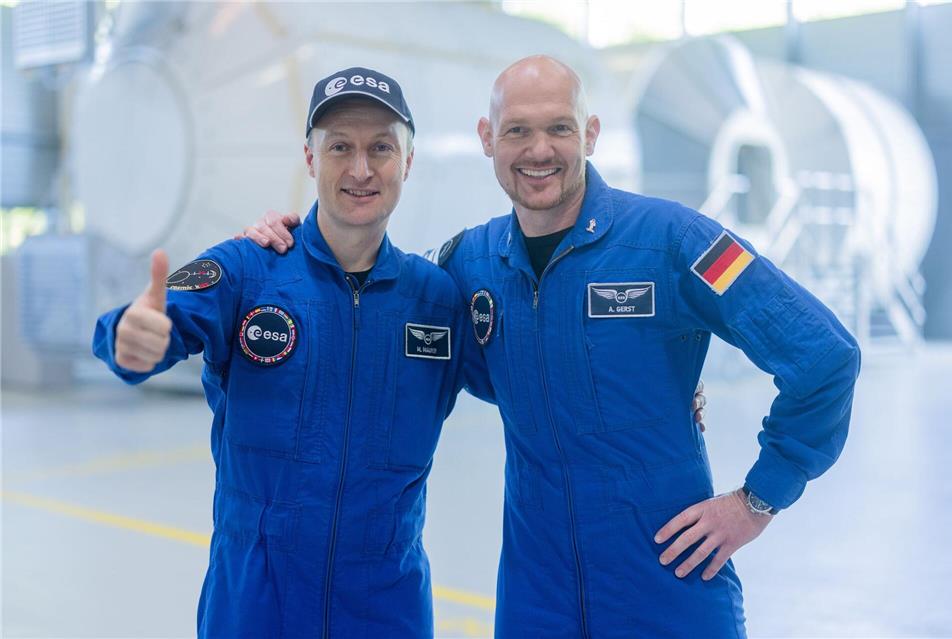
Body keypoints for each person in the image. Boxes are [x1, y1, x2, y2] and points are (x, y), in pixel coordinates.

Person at [247, 56, 856, 638]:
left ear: (589, 134)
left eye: (558, 128)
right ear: (488, 139)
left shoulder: (676, 240)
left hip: (670, 582)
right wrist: (287, 242)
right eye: (517, 131)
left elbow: (823, 354)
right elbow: (381, 298)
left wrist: (757, 500)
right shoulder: (468, 262)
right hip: (537, 599)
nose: (539, 151)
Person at [93, 67, 480, 638]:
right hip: (255, 601)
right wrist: (127, 336)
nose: (360, 169)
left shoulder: (438, 300)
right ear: (309, 158)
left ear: (408, 161)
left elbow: (539, 398)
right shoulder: (247, 267)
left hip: (386, 605)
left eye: (381, 148)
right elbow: (153, 323)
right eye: (339, 147)